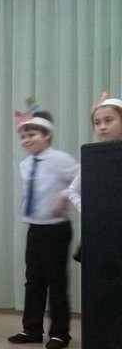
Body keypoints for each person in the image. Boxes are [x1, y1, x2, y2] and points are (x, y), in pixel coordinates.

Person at [8, 100, 79, 349]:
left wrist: (65, 195)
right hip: (35, 228)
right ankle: (32, 329)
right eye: (23, 136)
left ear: (47, 134)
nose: (26, 140)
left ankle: (60, 333)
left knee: (56, 280)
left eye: (32, 135)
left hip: (56, 228)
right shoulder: (25, 164)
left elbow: (83, 178)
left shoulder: (61, 160)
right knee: (33, 280)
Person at [65, 92, 122, 262]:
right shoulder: (92, 156)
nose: (102, 127)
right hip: (100, 231)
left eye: (108, 120)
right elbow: (72, 190)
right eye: (97, 123)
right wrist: (88, 209)